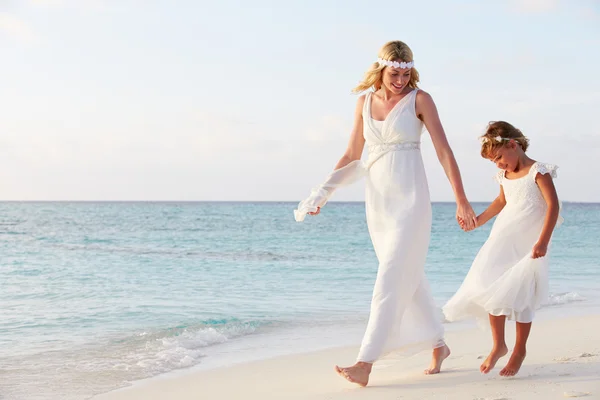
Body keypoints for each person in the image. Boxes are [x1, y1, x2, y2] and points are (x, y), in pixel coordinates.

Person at [294, 40, 477, 386]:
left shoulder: (420, 100)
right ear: (381, 69)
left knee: (390, 276)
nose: (401, 80)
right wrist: (322, 193)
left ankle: (365, 361)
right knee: (408, 275)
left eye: (407, 73)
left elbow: (444, 151)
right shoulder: (363, 103)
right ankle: (439, 345)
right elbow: (351, 154)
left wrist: (461, 199)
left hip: (411, 200)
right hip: (378, 202)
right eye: (395, 73)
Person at [443, 121, 562, 377]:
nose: (498, 164)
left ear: (513, 145)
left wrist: (542, 241)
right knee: (487, 281)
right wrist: (478, 221)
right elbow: (501, 201)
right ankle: (499, 344)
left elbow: (553, 206)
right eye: (493, 161)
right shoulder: (504, 176)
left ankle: (519, 349)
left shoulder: (538, 171)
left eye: (499, 157)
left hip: (531, 241)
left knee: (523, 292)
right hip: (503, 237)